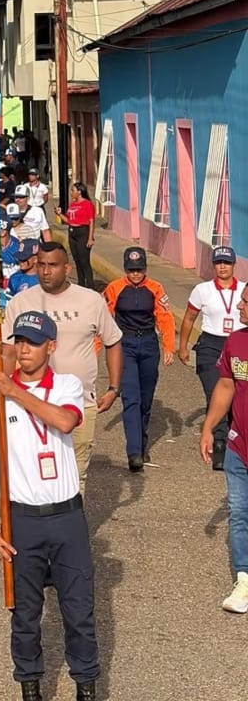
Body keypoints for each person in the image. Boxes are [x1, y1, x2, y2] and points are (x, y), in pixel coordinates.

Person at [0, 311, 100, 701]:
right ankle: (30, 687)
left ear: (51, 347)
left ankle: (86, 686)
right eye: (18, 341)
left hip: (66, 515)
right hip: (20, 518)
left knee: (79, 611)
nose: (23, 350)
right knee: (24, 615)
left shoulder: (66, 385)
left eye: (33, 343)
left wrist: (15, 393)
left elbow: (64, 421)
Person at [4, 242, 123, 490]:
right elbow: (7, 352)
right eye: (41, 265)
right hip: (31, 404)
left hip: (79, 404)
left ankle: (71, 527)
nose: (46, 271)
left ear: (67, 268)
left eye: (53, 266)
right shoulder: (20, 303)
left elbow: (113, 341)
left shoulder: (91, 300)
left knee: (75, 477)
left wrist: (113, 388)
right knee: (33, 474)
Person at [102, 247, 175, 471]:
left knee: (145, 399)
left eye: (139, 269)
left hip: (149, 345)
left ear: (145, 268)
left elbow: (165, 317)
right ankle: (134, 452)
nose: (135, 274)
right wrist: (97, 347)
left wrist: (168, 346)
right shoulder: (114, 288)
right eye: (131, 270)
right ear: (125, 268)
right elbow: (103, 318)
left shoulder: (155, 288)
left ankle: (141, 444)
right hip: (126, 345)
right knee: (131, 398)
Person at [200, 284, 248, 613]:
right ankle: (244, 580)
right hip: (238, 446)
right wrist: (207, 427)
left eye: (245, 301)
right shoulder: (236, 342)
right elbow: (227, 385)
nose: (240, 305)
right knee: (240, 514)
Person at [179, 244, 246, 470]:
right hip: (210, 344)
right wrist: (183, 346)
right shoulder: (202, 290)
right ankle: (220, 443)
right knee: (214, 392)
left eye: (227, 263)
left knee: (236, 395)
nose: (223, 267)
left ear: (234, 265)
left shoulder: (244, 290)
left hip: (238, 343)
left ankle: (234, 440)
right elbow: (189, 318)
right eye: (218, 263)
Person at [54, 181, 95, 287]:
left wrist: (90, 238)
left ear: (79, 192)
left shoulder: (87, 204)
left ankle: (90, 285)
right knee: (77, 260)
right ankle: (81, 283)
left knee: (84, 260)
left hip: (83, 232)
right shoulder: (72, 204)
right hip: (72, 232)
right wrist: (59, 214)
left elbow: (91, 221)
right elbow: (69, 220)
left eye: (73, 190)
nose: (71, 193)